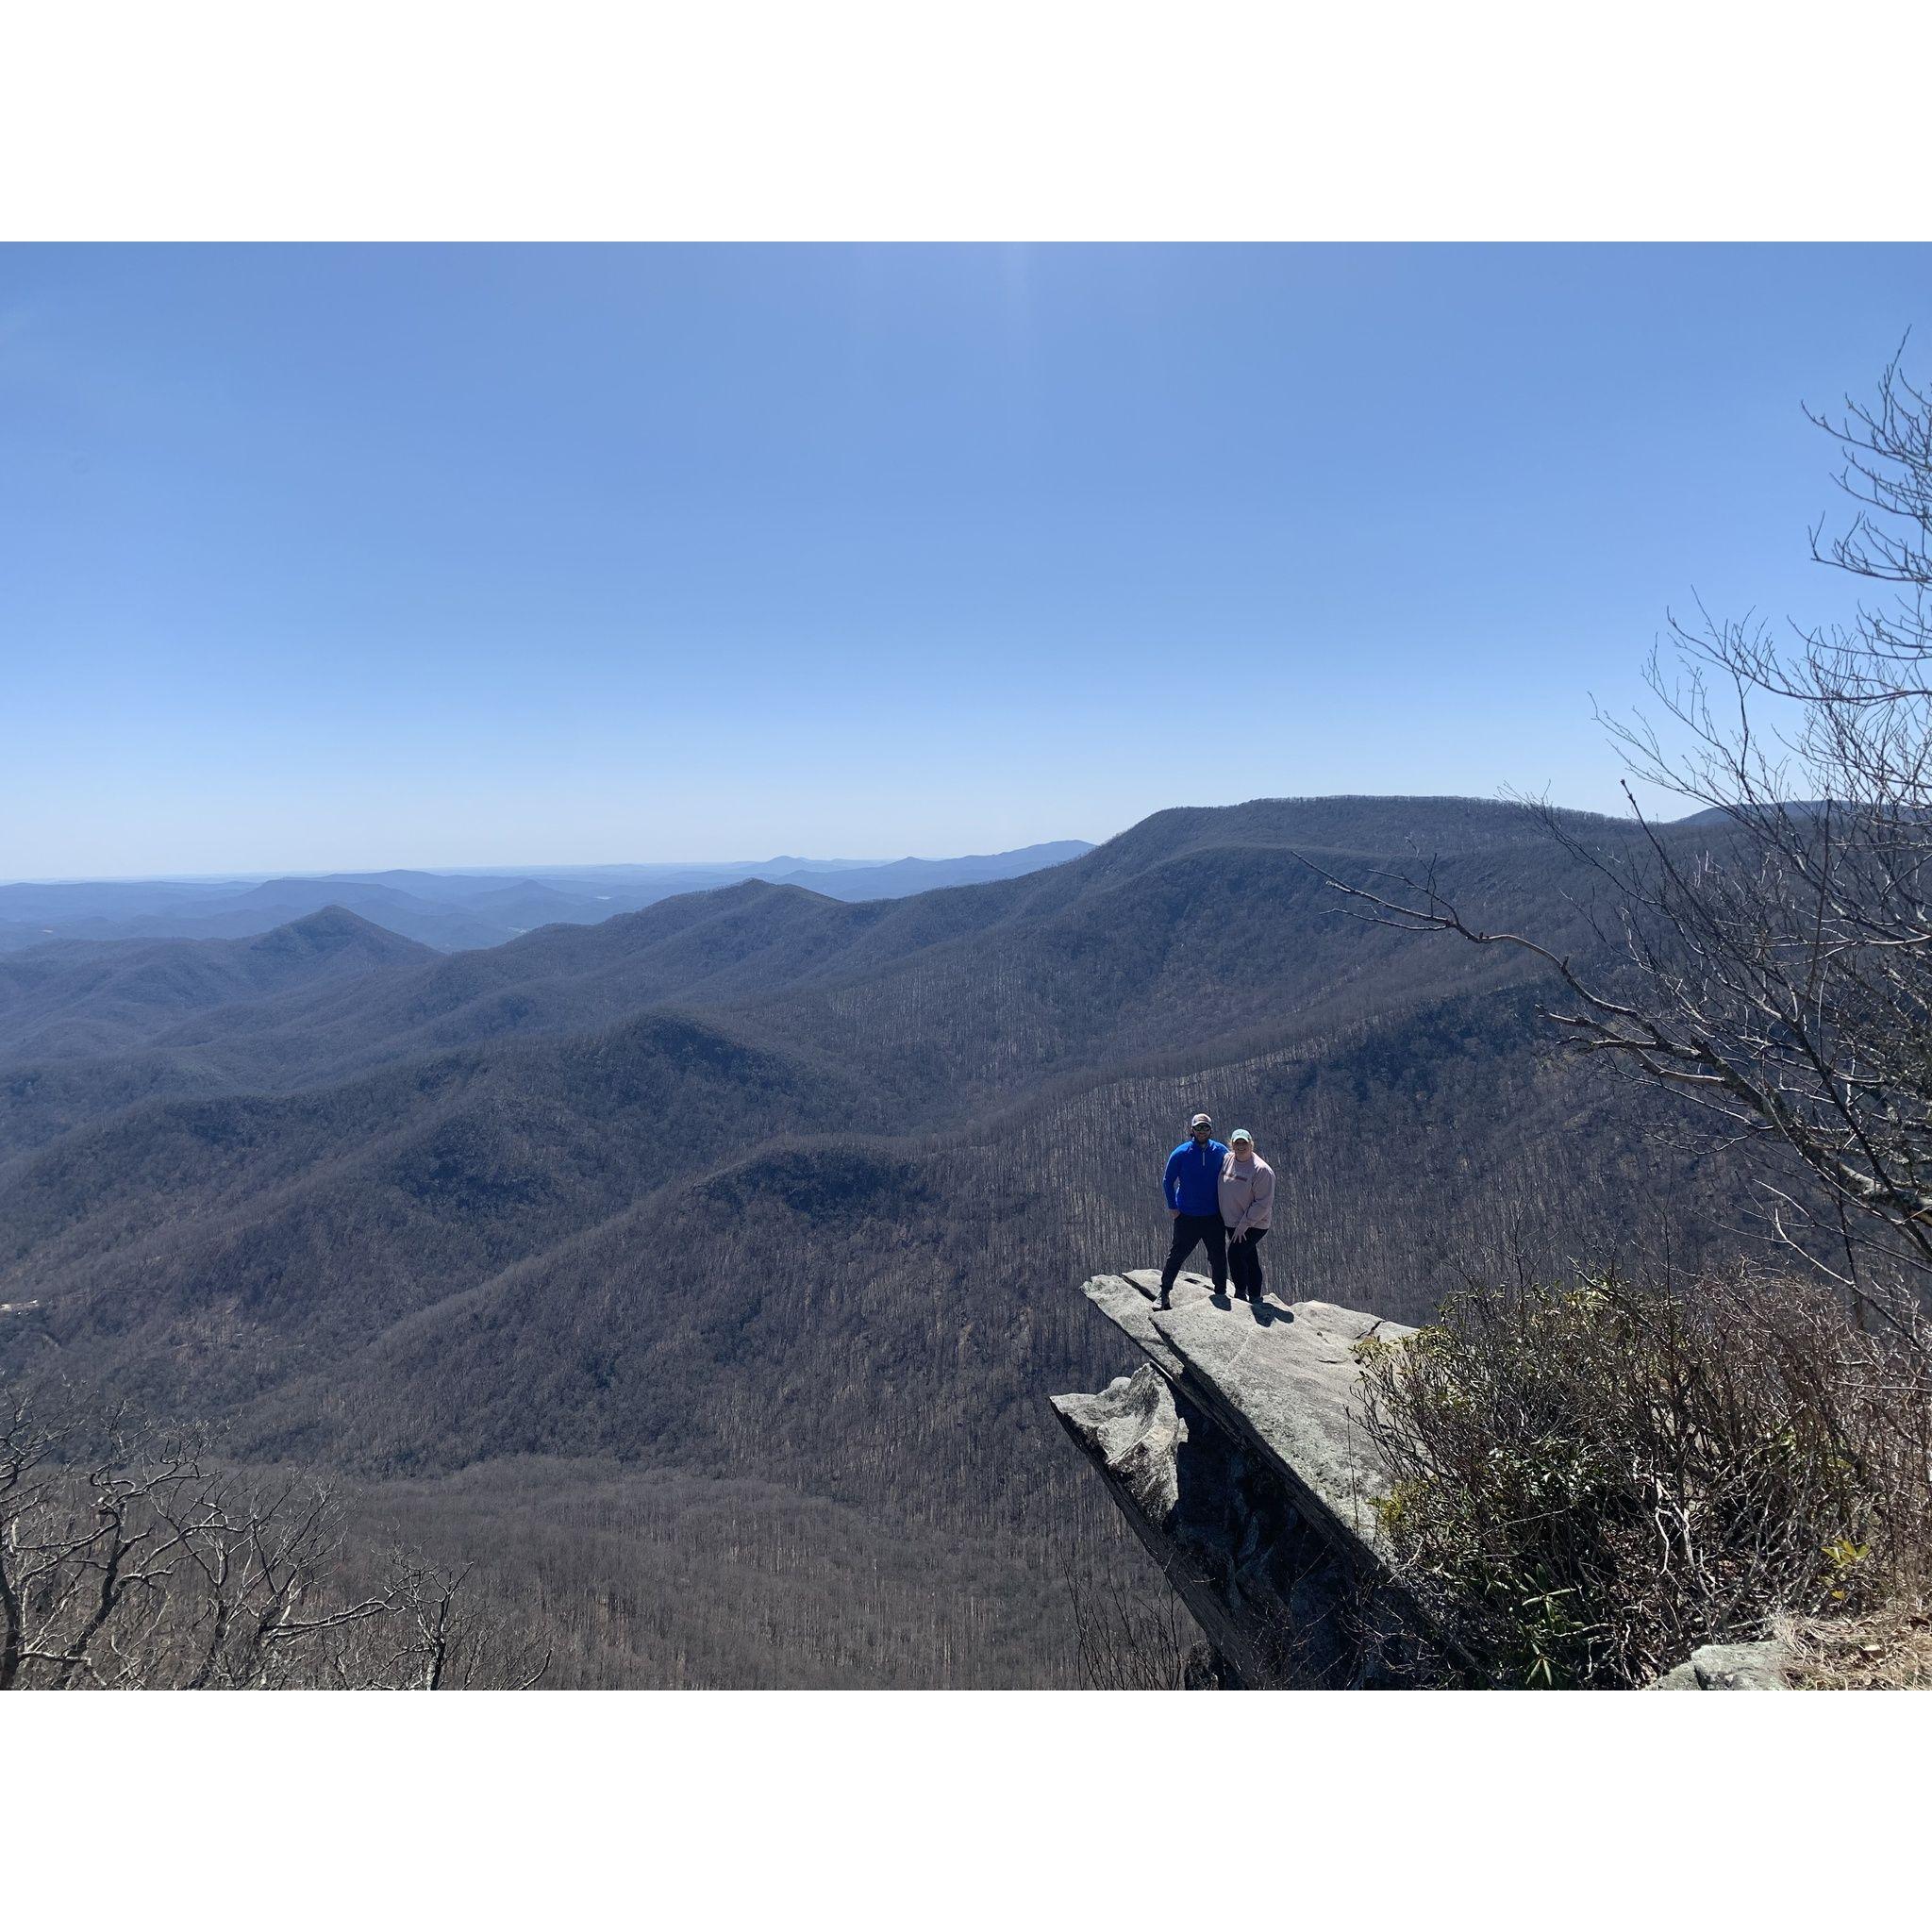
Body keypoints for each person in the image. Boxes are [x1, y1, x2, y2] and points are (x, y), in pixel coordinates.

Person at [1159, 1112, 1229, 1307]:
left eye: (1205, 1127)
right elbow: (1168, 1181)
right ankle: (1164, 1292)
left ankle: (1221, 1293)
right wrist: (1173, 1207)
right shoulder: (1181, 1153)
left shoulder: (1221, 1152)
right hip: (1187, 1215)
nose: (1201, 1131)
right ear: (1192, 1130)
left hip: (1213, 1215)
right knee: (1177, 1255)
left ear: (1210, 1130)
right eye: (1198, 1128)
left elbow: (1233, 1175)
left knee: (1217, 1256)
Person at [1219, 1128, 1275, 1304]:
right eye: (1237, 1143)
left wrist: (1245, 1224)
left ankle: (1241, 1293)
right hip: (1232, 1221)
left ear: (1251, 1144)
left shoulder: (1261, 1170)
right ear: (1232, 1144)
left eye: (1244, 1143)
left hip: (1253, 1224)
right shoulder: (1227, 1159)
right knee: (1249, 1256)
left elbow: (1263, 1203)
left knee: (1235, 1255)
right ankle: (1256, 1296)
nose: (1241, 1146)